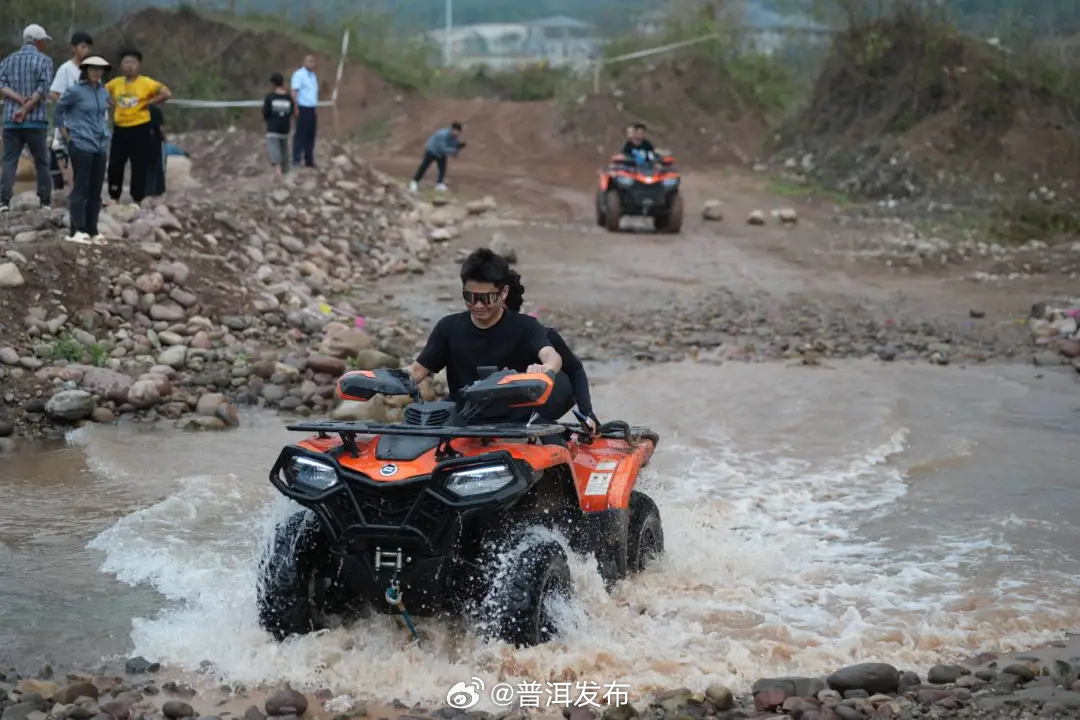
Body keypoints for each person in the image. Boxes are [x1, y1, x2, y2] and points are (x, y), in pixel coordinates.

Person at [405, 248, 562, 424]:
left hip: (516, 427)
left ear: (503, 293)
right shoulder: (448, 328)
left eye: (486, 298)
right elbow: (417, 371)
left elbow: (551, 356)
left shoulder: (525, 327)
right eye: (470, 297)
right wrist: (379, 380)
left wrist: (545, 368)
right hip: (462, 427)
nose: (478, 305)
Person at [503, 269, 599, 433]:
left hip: (550, 394)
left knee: (534, 420)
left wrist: (587, 412)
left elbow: (575, 369)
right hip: (508, 400)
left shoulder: (537, 334)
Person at [54, 56, 112, 245]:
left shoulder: (104, 92)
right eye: (92, 68)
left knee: (96, 188)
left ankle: (92, 230)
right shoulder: (75, 91)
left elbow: (104, 113)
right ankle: (76, 230)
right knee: (81, 186)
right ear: (85, 70)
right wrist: (65, 132)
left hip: (100, 144)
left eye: (100, 69)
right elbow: (58, 110)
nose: (96, 72)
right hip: (80, 143)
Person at [0, 24, 55, 214]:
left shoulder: (7, 61)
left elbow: (1, 86)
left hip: (10, 120)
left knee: (9, 161)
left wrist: (18, 100)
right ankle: (45, 201)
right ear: (38, 41)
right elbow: (42, 89)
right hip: (36, 120)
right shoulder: (45, 61)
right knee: (41, 162)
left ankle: (4, 201)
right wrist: (26, 109)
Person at [105, 48, 170, 205]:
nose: (129, 66)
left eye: (133, 62)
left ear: (138, 65)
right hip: (121, 128)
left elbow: (166, 93)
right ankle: (114, 195)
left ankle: (138, 197)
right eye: (126, 62)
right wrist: (111, 103)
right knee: (115, 163)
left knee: (139, 163)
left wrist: (150, 102)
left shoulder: (146, 82)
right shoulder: (115, 83)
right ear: (121, 65)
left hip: (140, 127)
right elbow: (100, 92)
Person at [47, 30, 93, 191]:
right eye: (83, 47)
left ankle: (81, 188)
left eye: (88, 48)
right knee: (62, 152)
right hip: (67, 120)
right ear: (74, 48)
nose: (85, 51)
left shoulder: (92, 70)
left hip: (87, 121)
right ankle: (72, 188)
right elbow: (53, 92)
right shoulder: (66, 69)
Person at [408, 122, 465, 193]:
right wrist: (454, 150)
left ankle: (439, 184)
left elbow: (452, 145)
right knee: (424, 167)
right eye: (457, 131)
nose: (458, 134)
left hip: (440, 154)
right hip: (432, 151)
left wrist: (457, 146)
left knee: (442, 168)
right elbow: (443, 148)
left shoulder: (454, 137)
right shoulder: (442, 135)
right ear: (453, 130)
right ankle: (414, 182)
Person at [263, 72, 294, 176]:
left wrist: (267, 120)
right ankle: (286, 169)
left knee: (274, 147)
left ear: (273, 84)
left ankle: (278, 169)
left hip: (273, 127)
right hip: (285, 127)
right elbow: (291, 111)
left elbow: (265, 112)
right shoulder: (288, 98)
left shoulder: (270, 97)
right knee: (284, 148)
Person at [290, 55, 318, 168]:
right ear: (304, 62)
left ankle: (309, 159)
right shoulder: (299, 74)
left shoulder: (313, 76)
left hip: (311, 108)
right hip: (302, 107)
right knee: (300, 134)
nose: (311, 63)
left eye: (313, 61)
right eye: (309, 61)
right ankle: (296, 159)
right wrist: (296, 108)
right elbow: (295, 92)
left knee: (311, 134)